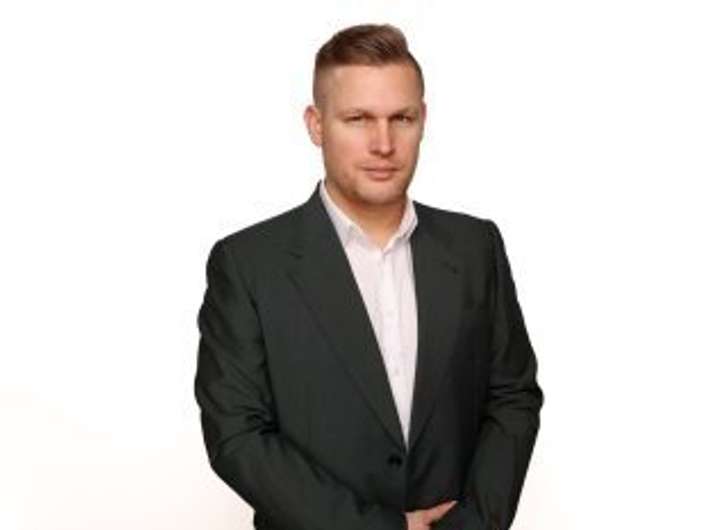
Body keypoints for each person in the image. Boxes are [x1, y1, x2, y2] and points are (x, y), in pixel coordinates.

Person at [194, 23, 543, 530]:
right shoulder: (249, 264)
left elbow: (512, 396)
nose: (383, 143)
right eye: (358, 119)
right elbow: (237, 436)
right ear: (316, 125)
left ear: (423, 120)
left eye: (401, 118)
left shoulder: (475, 248)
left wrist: (474, 524)